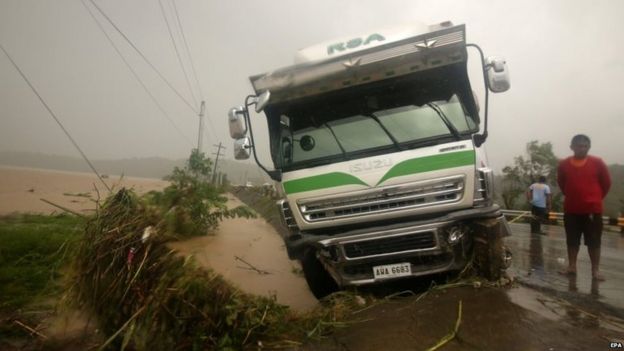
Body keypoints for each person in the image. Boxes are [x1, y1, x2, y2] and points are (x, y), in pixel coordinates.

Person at [557, 134, 611, 281]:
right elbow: (561, 183)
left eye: (585, 146)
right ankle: (572, 267)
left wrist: (595, 199)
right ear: (572, 147)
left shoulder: (597, 163)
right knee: (572, 240)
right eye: (579, 146)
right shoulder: (564, 164)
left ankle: (595, 270)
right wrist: (572, 195)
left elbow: (606, 183)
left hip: (592, 210)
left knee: (594, 241)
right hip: (571, 209)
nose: (582, 148)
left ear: (589, 147)